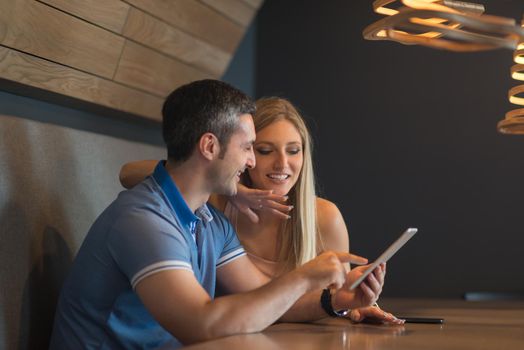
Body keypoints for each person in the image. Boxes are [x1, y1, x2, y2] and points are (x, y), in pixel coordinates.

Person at [50, 80, 386, 349]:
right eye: (248, 148)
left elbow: (262, 299)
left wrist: (337, 300)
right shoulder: (144, 220)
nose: (252, 162)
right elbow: (201, 325)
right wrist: (302, 277)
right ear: (210, 147)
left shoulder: (211, 221)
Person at [120, 96, 402, 324]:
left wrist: (348, 304)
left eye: (293, 150)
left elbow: (271, 299)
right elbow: (130, 173)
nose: (282, 164)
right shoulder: (212, 211)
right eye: (264, 150)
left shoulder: (324, 217)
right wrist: (233, 191)